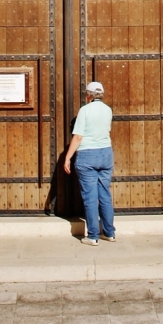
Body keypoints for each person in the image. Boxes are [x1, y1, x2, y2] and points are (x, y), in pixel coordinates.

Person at [64, 81, 116, 246]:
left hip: (88, 155)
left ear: (88, 94)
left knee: (90, 197)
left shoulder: (85, 110)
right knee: (105, 195)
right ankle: (109, 233)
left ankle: (93, 235)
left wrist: (68, 157)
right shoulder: (108, 110)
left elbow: (78, 136)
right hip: (106, 153)